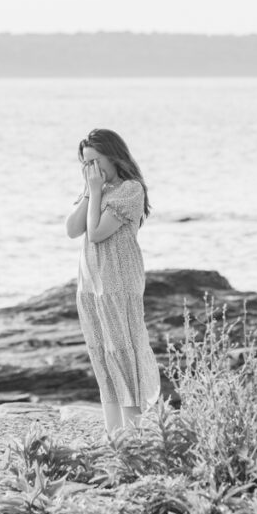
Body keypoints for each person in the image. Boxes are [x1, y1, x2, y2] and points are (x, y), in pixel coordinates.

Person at [64, 129, 161, 434]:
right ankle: (113, 433)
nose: (90, 169)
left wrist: (95, 193)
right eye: (85, 164)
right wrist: (90, 191)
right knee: (102, 354)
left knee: (123, 352)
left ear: (112, 156)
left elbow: (96, 233)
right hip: (92, 287)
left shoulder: (130, 190)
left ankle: (132, 433)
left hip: (119, 284)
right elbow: (72, 229)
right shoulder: (97, 190)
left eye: (94, 161)